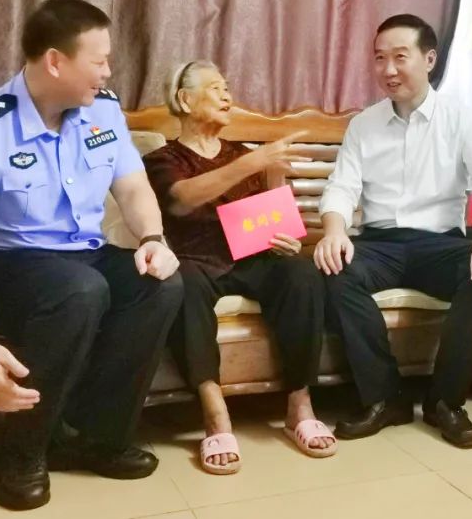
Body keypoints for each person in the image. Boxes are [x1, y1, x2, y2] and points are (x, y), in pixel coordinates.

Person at [0, 0, 183, 511]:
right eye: (99, 60)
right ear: (55, 61)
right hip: (11, 265)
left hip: (83, 257)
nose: (108, 71)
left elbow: (133, 188)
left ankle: (98, 437)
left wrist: (154, 240)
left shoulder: (104, 110)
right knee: (80, 290)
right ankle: (20, 449)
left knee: (158, 284)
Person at [315, 14, 472, 449]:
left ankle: (446, 401)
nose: (388, 69)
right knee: (334, 269)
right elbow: (341, 189)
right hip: (380, 244)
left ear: (429, 59)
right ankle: (384, 397)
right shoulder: (364, 124)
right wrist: (334, 232)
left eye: (399, 57)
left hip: (439, 243)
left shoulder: (462, 119)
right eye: (379, 58)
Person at [143, 60, 336, 474]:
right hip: (196, 261)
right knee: (181, 283)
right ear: (185, 100)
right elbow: (181, 199)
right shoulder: (162, 159)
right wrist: (256, 161)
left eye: (227, 88)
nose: (227, 96)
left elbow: (276, 219)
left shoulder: (245, 155)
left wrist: (288, 239)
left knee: (300, 273)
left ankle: (300, 407)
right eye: (216, 88)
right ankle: (215, 414)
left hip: (251, 258)